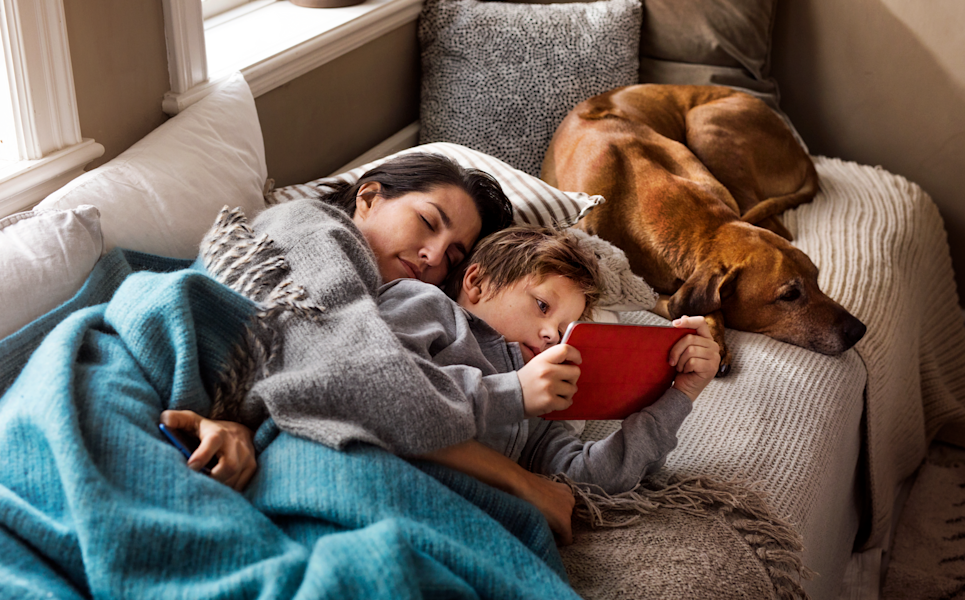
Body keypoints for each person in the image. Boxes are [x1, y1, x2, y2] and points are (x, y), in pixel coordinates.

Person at [160, 152, 580, 542]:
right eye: (428, 222)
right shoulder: (314, 227)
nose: (433, 256)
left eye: (454, 255)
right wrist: (519, 472)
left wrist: (239, 427)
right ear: (370, 197)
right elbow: (362, 380)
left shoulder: (375, 299)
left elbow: (303, 372)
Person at [377, 226, 721, 499]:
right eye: (542, 305)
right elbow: (388, 387)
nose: (552, 337)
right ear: (477, 282)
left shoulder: (538, 409)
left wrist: (680, 395)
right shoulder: (423, 303)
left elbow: (593, 477)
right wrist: (515, 392)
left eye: (564, 330)